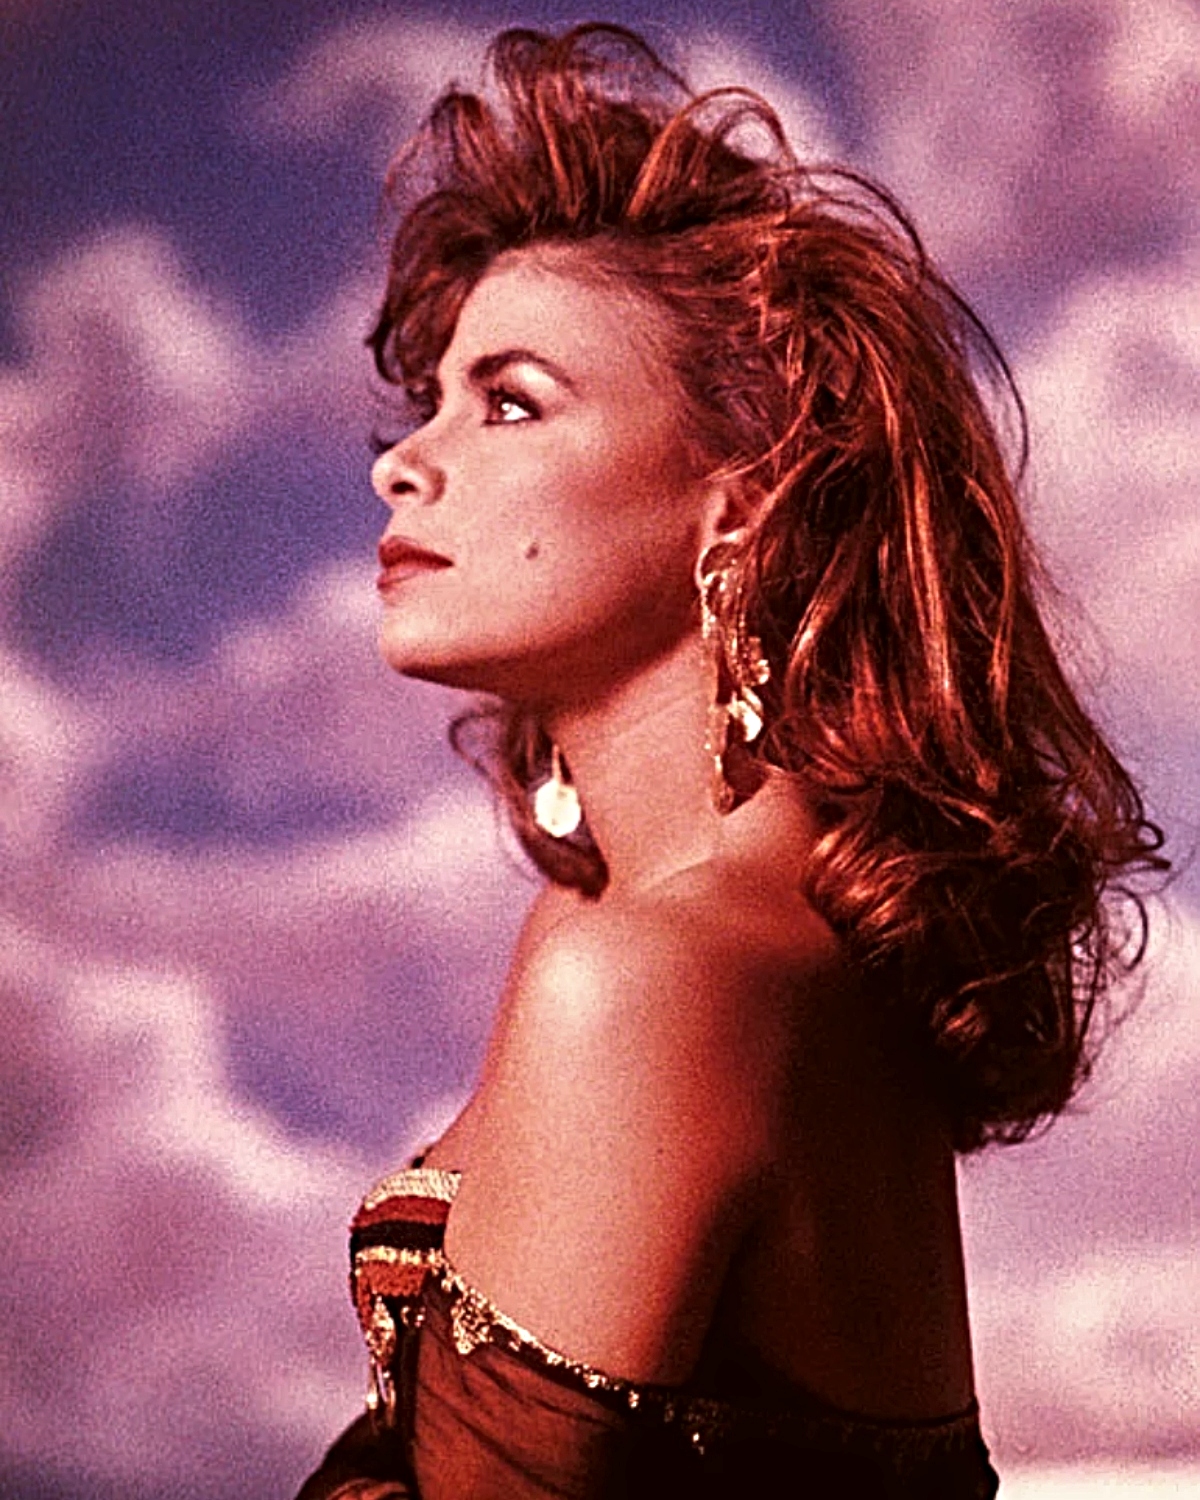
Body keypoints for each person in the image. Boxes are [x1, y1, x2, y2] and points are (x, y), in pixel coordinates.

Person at [296, 23, 1166, 1499]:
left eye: (509, 400)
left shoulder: (661, 971)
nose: (404, 460)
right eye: (430, 399)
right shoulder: (715, 927)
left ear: (745, 500)